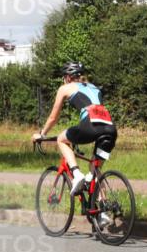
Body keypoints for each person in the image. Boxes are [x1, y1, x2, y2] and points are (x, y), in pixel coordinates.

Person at [32, 62, 117, 194]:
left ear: (68, 77)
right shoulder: (94, 87)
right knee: (95, 170)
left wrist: (41, 134)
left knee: (61, 139)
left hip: (90, 126)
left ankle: (77, 175)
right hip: (111, 130)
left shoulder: (65, 88)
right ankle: (103, 210)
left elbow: (53, 118)